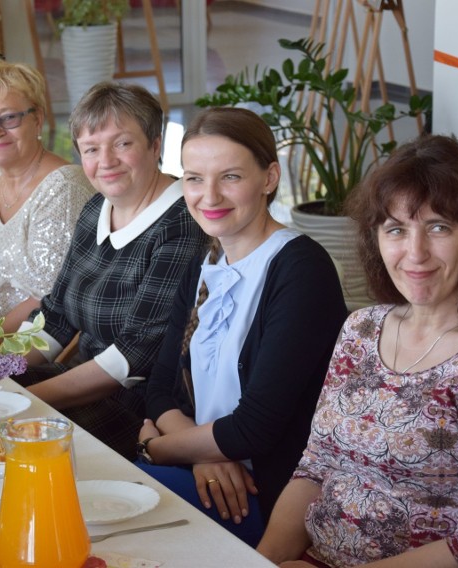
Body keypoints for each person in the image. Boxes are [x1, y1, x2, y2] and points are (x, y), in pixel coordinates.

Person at [256, 134, 458, 567]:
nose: (415, 253)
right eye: (396, 229)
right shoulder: (361, 329)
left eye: (439, 227)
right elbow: (316, 467)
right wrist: (262, 562)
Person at [136, 107, 347, 547]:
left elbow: (255, 430)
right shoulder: (206, 259)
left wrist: (156, 447)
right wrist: (203, 458)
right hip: (209, 475)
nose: (209, 196)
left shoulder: (301, 269)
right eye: (194, 178)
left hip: (268, 498)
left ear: (269, 178)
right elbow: (159, 389)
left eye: (230, 176)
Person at [16, 82, 207, 460]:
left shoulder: (182, 223)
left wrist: (21, 400)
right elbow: (54, 318)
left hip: (138, 406)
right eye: (91, 149)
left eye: (122, 144)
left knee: (11, 443)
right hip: (79, 380)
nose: (106, 161)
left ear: (156, 145)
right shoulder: (95, 209)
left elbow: (132, 359)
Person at [0, 60, 94, 332]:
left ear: (37, 119)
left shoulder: (63, 187)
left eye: (9, 118)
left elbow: (47, 299)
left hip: (39, 347)